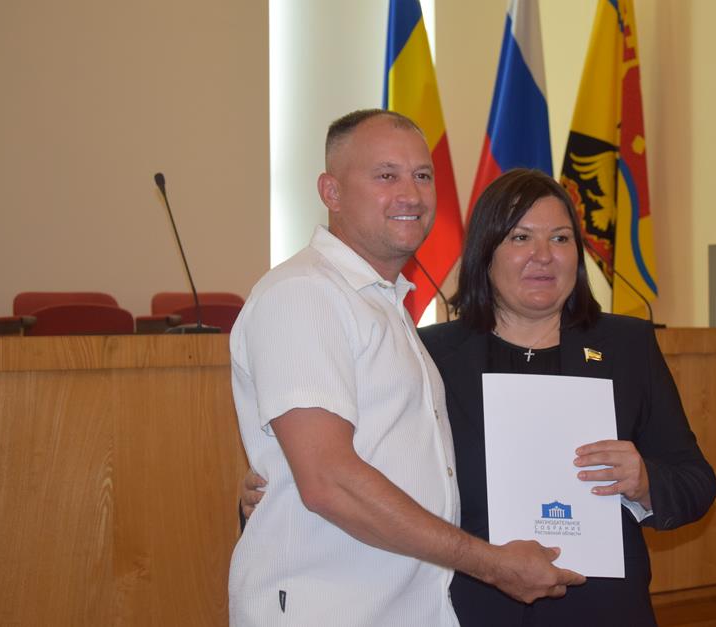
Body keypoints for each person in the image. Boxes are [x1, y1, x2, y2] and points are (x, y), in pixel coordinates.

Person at [241, 167, 716, 625]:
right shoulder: (430, 354)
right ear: (485, 254)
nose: (543, 255)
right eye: (520, 238)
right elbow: (353, 468)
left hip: (601, 609)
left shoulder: (628, 346)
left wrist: (645, 480)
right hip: (471, 609)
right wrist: (275, 488)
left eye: (560, 238)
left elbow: (696, 482)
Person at [229, 113, 584, 627]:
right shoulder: (305, 294)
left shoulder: (385, 305)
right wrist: (490, 563)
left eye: (422, 175)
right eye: (386, 175)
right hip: (328, 608)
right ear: (331, 191)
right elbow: (329, 480)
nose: (411, 195)